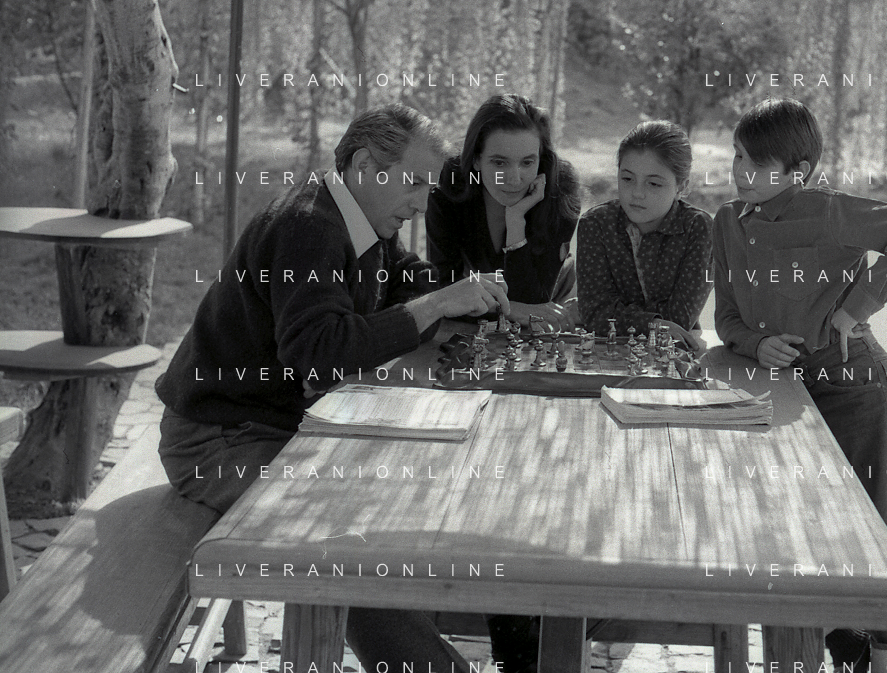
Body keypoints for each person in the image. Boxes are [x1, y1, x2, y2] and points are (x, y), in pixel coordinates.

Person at [156, 104, 509, 673]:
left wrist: (470, 294)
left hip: (271, 426)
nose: (422, 202)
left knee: (407, 495)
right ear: (366, 165)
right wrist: (440, 303)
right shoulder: (308, 227)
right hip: (217, 441)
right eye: (414, 182)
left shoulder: (355, 216)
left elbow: (400, 279)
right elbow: (320, 352)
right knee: (341, 544)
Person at [711, 97, 887, 672]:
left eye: (758, 163)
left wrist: (856, 306)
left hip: (857, 392)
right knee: (801, 531)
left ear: (799, 172)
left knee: (879, 536)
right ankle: (830, 651)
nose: (742, 171)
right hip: (782, 397)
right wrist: (754, 343)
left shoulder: (829, 211)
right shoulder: (727, 223)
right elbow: (726, 318)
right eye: (738, 156)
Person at [425, 93, 581, 334]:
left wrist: (516, 221)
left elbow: (534, 303)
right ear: (476, 159)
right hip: (487, 304)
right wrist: (508, 309)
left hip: (557, 299)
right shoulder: (449, 187)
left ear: (540, 159)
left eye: (527, 163)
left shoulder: (561, 191)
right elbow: (444, 289)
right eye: (499, 163)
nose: (514, 179)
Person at [576, 120, 713, 352]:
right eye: (627, 179)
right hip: (607, 351)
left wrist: (620, 317)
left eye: (654, 184)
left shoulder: (697, 228)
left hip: (674, 353)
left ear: (682, 186)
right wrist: (655, 324)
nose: (637, 193)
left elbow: (680, 320)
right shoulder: (596, 224)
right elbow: (594, 313)